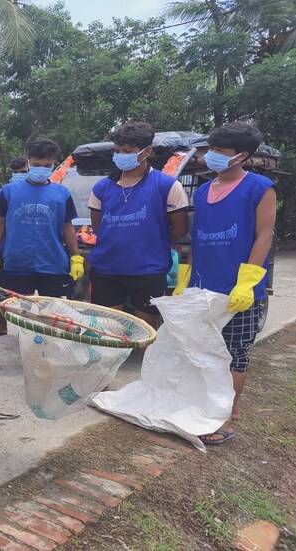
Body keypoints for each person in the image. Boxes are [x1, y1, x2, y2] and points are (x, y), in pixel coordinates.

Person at [173, 122, 276, 446]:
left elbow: (264, 236)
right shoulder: (204, 190)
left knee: (234, 353)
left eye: (220, 151)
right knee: (203, 352)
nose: (212, 156)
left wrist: (247, 282)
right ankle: (209, 404)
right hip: (204, 285)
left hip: (238, 288)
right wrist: (185, 277)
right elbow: (198, 238)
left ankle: (226, 417)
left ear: (241, 156)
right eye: (211, 149)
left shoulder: (260, 188)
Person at [87, 122, 189, 328]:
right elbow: (98, 228)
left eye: (127, 151)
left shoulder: (167, 186)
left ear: (147, 151)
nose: (120, 155)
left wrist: (151, 244)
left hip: (148, 270)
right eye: (117, 151)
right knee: (106, 328)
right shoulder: (101, 188)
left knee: (146, 328)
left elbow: (180, 229)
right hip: (107, 269)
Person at [0, 138, 83, 298]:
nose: (41, 169)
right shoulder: (7, 192)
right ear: (28, 162)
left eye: (47, 166)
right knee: (12, 308)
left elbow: (67, 226)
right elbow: (1, 224)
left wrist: (76, 257)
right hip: (17, 264)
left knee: (55, 310)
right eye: (36, 165)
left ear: (54, 164)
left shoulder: (62, 194)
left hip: (53, 264)